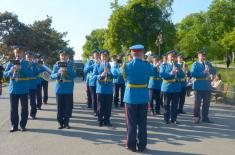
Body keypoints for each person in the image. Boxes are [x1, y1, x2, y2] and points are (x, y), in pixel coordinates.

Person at [123, 44, 153, 152]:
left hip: (130, 97)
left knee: (131, 123)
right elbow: (153, 73)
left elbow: (119, 75)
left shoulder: (126, 65)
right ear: (142, 53)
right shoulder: (147, 65)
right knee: (142, 123)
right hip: (143, 97)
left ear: (132, 53)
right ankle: (142, 145)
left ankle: (131, 145)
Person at [3, 45, 30, 132]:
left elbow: (29, 74)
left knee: (24, 109)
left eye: (19, 53)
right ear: (14, 53)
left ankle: (23, 125)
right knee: (13, 109)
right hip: (13, 89)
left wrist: (21, 69)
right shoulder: (10, 63)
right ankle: (14, 126)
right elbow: (4, 74)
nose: (17, 55)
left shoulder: (26, 63)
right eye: (16, 53)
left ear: (23, 54)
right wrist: (10, 71)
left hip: (23, 89)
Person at [51, 49, 77, 129]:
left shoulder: (71, 65)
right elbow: (52, 76)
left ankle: (66, 123)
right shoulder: (56, 65)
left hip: (68, 88)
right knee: (60, 107)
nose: (63, 57)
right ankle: (60, 123)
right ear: (60, 56)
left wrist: (67, 70)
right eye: (62, 55)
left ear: (67, 56)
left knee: (67, 107)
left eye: (65, 55)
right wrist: (58, 73)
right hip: (59, 88)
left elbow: (74, 75)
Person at [191, 49, 216, 124]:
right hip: (198, 86)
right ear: (198, 56)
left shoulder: (208, 63)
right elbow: (193, 74)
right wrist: (203, 72)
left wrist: (210, 69)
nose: (203, 57)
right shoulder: (195, 64)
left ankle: (205, 117)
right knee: (197, 103)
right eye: (201, 55)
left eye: (204, 55)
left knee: (206, 103)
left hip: (207, 86)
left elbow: (214, 71)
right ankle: (196, 117)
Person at [93, 50, 117, 127]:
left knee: (108, 106)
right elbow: (93, 76)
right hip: (101, 89)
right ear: (100, 57)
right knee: (100, 106)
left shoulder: (111, 65)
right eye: (103, 56)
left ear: (108, 57)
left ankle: (107, 120)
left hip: (109, 89)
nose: (104, 58)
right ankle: (100, 120)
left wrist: (109, 72)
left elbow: (115, 76)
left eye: (106, 56)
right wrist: (101, 75)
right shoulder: (97, 65)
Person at [160, 50, 184, 124]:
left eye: (174, 56)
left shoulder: (178, 65)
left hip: (176, 87)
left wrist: (178, 71)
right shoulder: (163, 65)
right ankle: (166, 118)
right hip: (167, 87)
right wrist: (171, 73)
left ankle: (174, 119)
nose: (173, 58)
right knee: (166, 104)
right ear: (167, 57)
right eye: (171, 56)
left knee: (175, 104)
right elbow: (162, 75)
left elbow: (182, 75)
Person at [25, 51, 39, 119]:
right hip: (24, 86)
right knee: (24, 103)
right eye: (27, 57)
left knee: (32, 101)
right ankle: (25, 115)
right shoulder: (23, 64)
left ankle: (33, 114)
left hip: (32, 85)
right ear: (26, 57)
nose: (29, 58)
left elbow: (36, 73)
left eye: (30, 57)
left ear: (32, 58)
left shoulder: (34, 65)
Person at [87, 50, 100, 116]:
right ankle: (95, 110)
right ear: (93, 55)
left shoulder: (102, 61)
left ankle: (100, 110)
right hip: (92, 82)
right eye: (95, 54)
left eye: (98, 54)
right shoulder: (90, 62)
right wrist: (93, 65)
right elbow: (85, 70)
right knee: (94, 97)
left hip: (100, 82)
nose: (96, 56)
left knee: (100, 98)